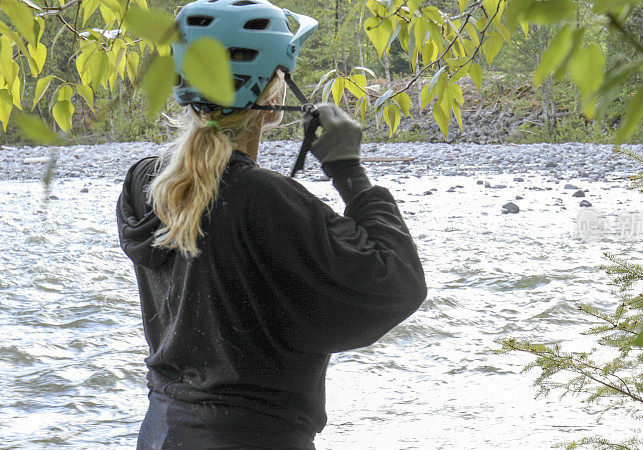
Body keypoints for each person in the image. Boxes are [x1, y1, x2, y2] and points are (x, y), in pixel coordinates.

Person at [116, 1, 427, 448]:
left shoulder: (143, 182)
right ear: (273, 91)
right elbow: (396, 283)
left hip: (161, 431)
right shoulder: (263, 197)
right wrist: (349, 172)